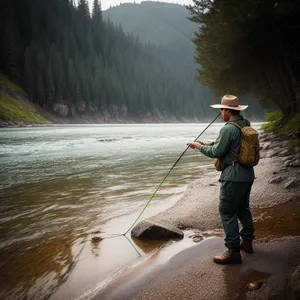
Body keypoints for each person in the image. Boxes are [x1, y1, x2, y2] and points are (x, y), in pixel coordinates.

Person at [187, 95, 255, 265]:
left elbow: (217, 152)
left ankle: (233, 252)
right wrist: (206, 143)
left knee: (227, 212)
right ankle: (247, 243)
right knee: (242, 209)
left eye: (221, 110)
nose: (220, 113)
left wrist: (199, 147)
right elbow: (231, 146)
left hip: (233, 177)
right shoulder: (244, 124)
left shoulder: (227, 129)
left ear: (227, 111)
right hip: (247, 175)